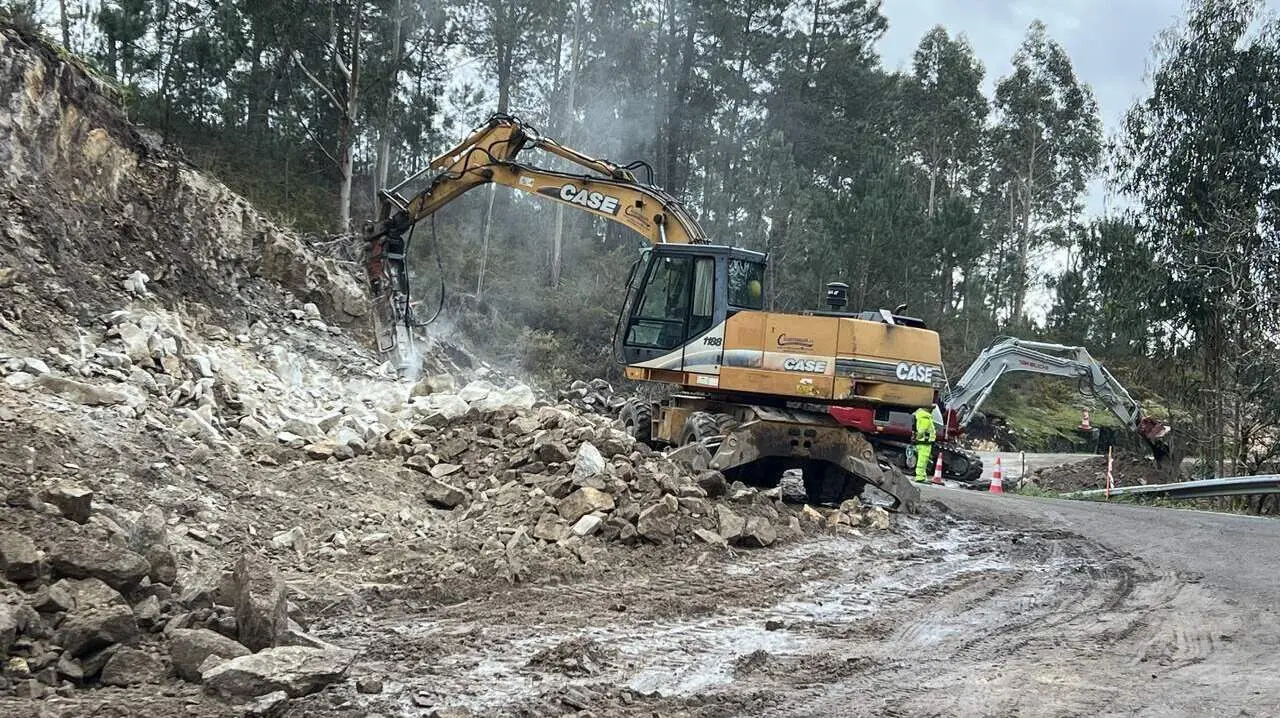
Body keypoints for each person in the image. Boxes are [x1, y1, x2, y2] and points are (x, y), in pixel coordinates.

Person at [912, 405, 937, 483]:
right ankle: (920, 477)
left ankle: (921, 475)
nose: (932, 410)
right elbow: (922, 429)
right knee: (923, 460)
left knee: (922, 460)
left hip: (922, 442)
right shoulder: (926, 418)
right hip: (925, 443)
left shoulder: (922, 416)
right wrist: (918, 437)